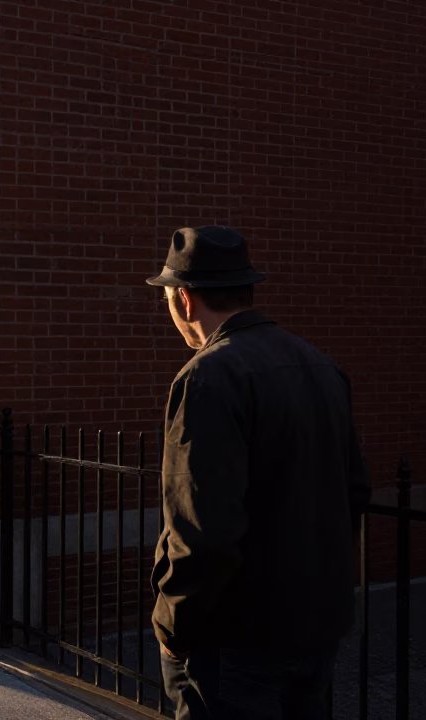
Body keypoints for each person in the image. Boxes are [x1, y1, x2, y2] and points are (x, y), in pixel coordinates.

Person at [146, 226, 370, 720]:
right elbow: (353, 493)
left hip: (237, 638)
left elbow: (201, 529)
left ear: (185, 300)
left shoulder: (207, 377)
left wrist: (172, 627)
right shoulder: (320, 365)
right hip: (316, 626)